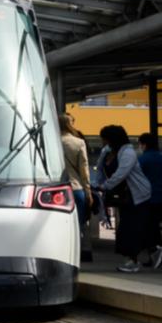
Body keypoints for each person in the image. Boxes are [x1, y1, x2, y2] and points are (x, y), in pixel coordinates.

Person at [98, 125, 151, 273]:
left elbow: (122, 173)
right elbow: (101, 168)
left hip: (138, 195)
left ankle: (134, 261)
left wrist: (105, 186)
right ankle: (150, 251)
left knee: (130, 228)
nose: (103, 142)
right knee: (127, 228)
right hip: (127, 196)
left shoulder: (128, 153)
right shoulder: (110, 151)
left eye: (105, 139)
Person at [59, 109, 92, 262]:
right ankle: (81, 255)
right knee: (80, 225)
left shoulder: (51, 142)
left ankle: (62, 255)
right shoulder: (78, 143)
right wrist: (88, 192)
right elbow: (84, 170)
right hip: (76, 188)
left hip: (57, 190)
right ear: (69, 124)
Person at [136, 132, 162, 269]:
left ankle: (155, 253)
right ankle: (157, 256)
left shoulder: (143, 159)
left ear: (144, 144)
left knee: (147, 228)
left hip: (149, 197)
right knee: (154, 227)